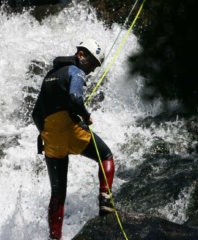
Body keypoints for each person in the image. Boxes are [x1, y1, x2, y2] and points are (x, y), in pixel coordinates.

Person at [32, 39, 115, 240]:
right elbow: (75, 98)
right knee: (106, 156)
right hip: (72, 131)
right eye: (92, 63)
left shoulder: (50, 76)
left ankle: (55, 237)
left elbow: (36, 114)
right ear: (80, 54)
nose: (93, 69)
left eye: (96, 66)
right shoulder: (75, 72)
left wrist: (47, 134)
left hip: (50, 139)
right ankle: (105, 198)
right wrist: (85, 116)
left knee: (58, 194)